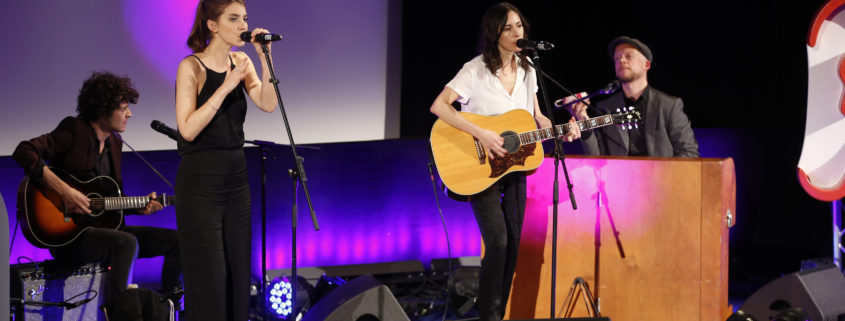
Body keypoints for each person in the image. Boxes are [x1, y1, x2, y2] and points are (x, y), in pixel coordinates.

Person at [429, 3, 580, 320]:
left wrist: (562, 130)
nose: (516, 33)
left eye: (520, 27)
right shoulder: (476, 70)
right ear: (494, 32)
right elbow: (440, 106)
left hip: (515, 165)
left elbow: (535, 116)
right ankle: (488, 314)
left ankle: (496, 312)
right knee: (497, 241)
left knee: (513, 242)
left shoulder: (528, 69)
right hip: (478, 164)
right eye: (508, 27)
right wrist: (481, 133)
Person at [11, 71, 181, 303]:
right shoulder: (73, 130)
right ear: (103, 109)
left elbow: (107, 200)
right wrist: (65, 191)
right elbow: (24, 151)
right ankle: (117, 311)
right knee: (126, 242)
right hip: (70, 238)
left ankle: (166, 305)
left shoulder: (115, 143)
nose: (129, 114)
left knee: (178, 242)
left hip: (106, 233)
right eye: (123, 108)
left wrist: (138, 207)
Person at [174, 0, 278, 320]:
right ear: (213, 25)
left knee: (236, 270)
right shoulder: (191, 66)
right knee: (211, 277)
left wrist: (266, 59)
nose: (243, 26)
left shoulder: (242, 59)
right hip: (200, 180)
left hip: (235, 178)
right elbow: (188, 128)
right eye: (233, 19)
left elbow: (268, 103)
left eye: (244, 19)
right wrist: (227, 86)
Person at [565, 36, 699, 157]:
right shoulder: (605, 107)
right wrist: (583, 118)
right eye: (617, 58)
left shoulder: (669, 106)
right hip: (619, 181)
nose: (621, 60)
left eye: (628, 56)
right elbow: (597, 158)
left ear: (646, 64)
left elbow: (689, 153)